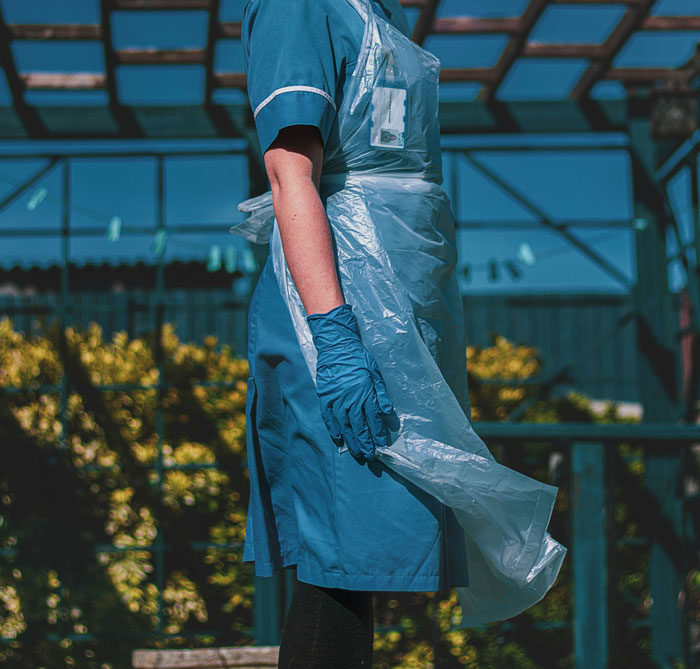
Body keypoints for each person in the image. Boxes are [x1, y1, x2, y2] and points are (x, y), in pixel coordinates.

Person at [240, 0, 471, 666]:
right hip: (337, 317)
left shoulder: (379, 13)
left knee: (362, 565)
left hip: (396, 316)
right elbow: (291, 173)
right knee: (336, 567)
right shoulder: (301, 5)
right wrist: (337, 337)